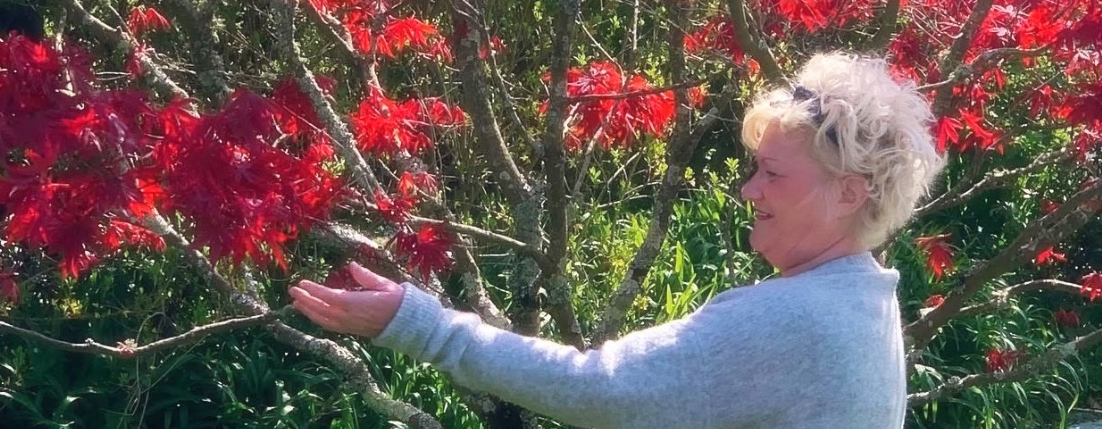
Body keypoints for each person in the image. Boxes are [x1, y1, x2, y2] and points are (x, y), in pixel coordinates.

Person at [288, 52, 944, 429]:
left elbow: (605, 389)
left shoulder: (797, 320)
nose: (749, 190)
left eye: (771, 173)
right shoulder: (865, 299)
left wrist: (422, 325)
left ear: (850, 194)